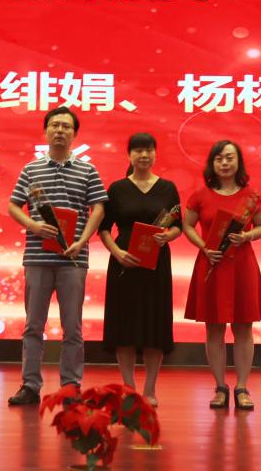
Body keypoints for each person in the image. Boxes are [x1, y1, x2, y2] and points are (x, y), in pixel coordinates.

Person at [6, 106, 106, 405]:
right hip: (37, 258)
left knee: (72, 327)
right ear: (46, 131)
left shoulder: (87, 170)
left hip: (73, 259)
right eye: (54, 125)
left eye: (66, 126)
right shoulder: (31, 169)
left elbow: (98, 209)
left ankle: (71, 385)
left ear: (74, 134)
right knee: (33, 325)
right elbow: (13, 205)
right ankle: (30, 385)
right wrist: (33, 225)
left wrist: (82, 240)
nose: (60, 131)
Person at [182, 139, 261, 411]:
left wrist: (246, 236)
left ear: (238, 162)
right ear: (212, 163)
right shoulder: (200, 194)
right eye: (219, 158)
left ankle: (242, 387)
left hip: (242, 265)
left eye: (229, 157)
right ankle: (220, 387)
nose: (224, 163)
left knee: (244, 327)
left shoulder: (251, 196)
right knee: (214, 328)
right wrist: (204, 247)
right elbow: (187, 225)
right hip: (212, 263)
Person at [98, 133, 181, 408]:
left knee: (154, 326)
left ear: (155, 154)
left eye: (148, 150)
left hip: (156, 265)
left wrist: (168, 236)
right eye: (138, 150)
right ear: (129, 155)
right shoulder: (117, 188)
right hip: (124, 263)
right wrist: (117, 253)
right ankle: (128, 387)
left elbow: (178, 225)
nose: (143, 155)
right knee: (124, 327)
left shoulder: (168, 188)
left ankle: (150, 389)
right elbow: (104, 228)